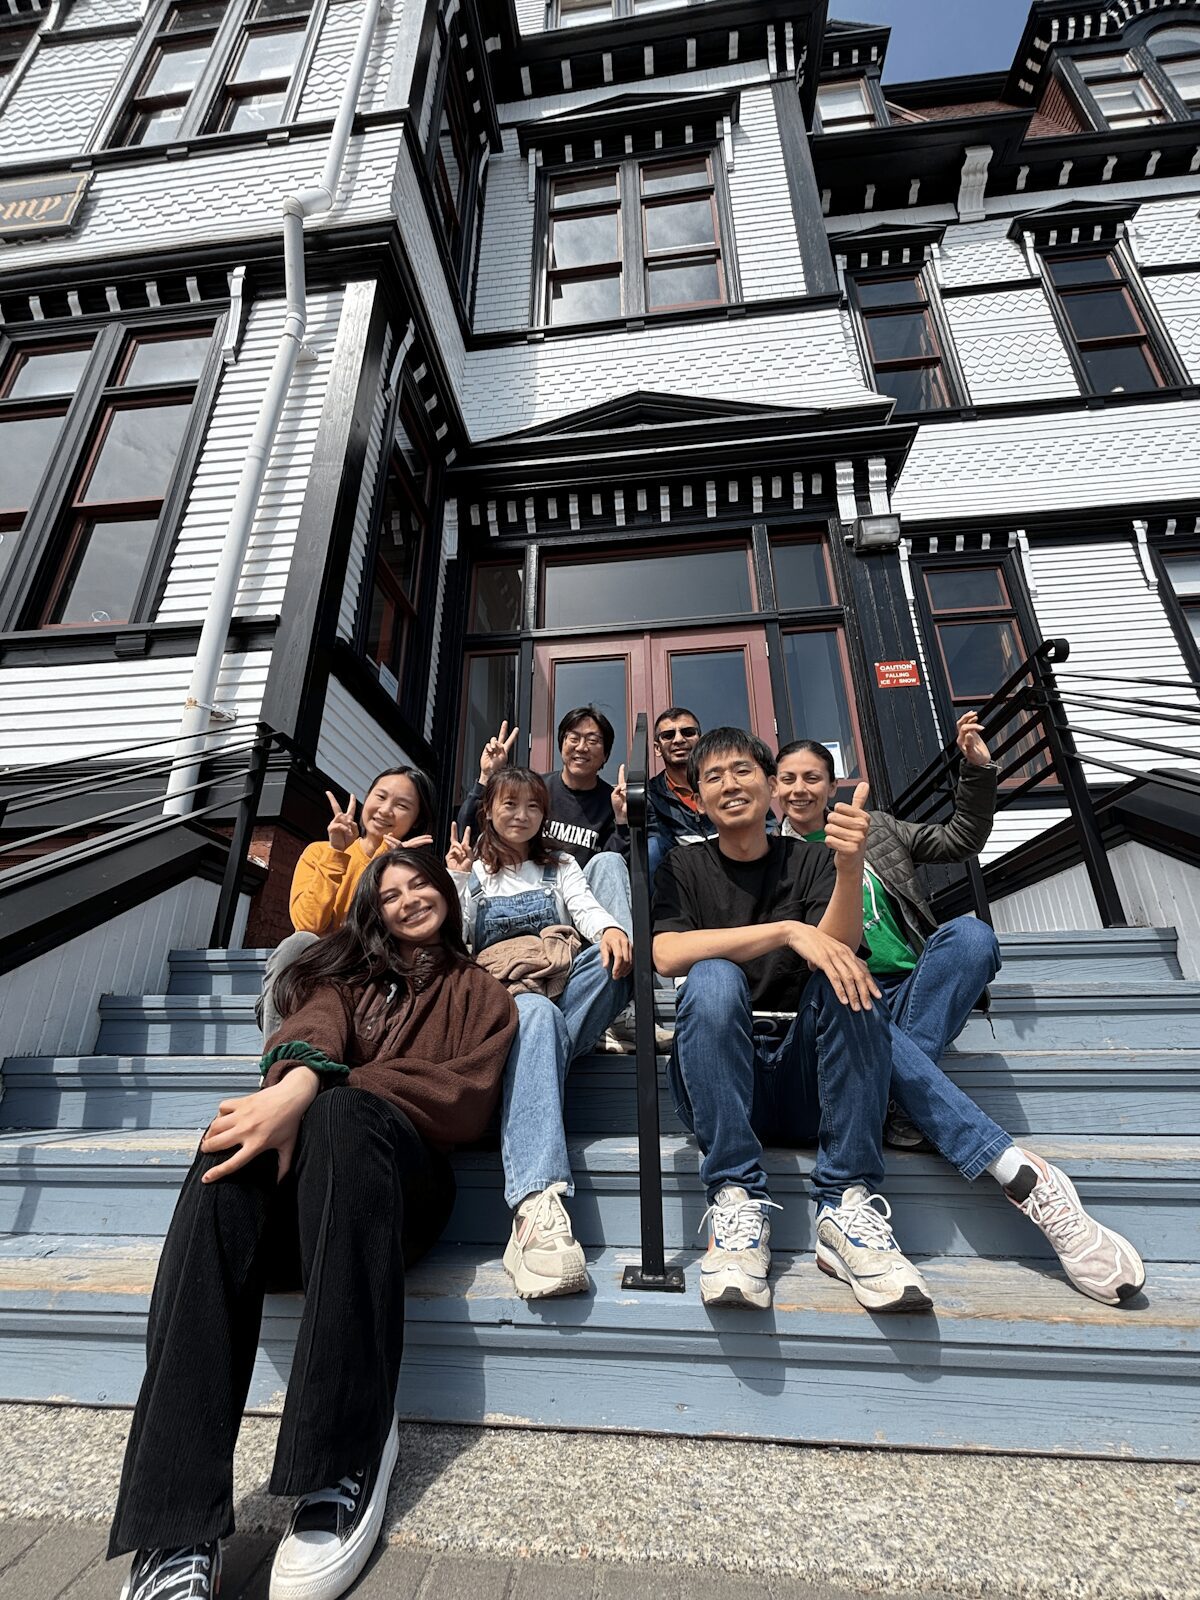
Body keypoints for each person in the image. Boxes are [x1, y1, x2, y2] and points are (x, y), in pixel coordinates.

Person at [109, 847, 517, 1600]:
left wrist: (320, 1092)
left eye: (419, 884)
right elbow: (316, 1029)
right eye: (389, 894)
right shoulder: (340, 980)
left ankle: (343, 1451)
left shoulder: (483, 991)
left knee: (344, 1113)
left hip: (400, 1192)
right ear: (375, 912)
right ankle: (173, 1522)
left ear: (447, 895)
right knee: (225, 1152)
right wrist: (298, 1079)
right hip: (305, 1206)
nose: (406, 900)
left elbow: (464, 1099)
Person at [652, 726, 1146, 1315]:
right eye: (713, 777)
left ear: (768, 788)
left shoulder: (812, 858)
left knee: (849, 976)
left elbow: (840, 945)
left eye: (743, 771)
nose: (730, 784)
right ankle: (736, 1195)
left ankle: (844, 1202)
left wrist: (849, 866)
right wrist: (786, 931)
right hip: (725, 1078)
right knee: (711, 978)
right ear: (698, 798)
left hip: (812, 1074)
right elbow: (665, 955)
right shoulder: (681, 865)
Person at [447, 768, 632, 1300]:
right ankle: (534, 1202)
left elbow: (588, 910)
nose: (521, 815)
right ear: (489, 810)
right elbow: (452, 944)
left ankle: (525, 1074)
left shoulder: (562, 866)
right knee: (535, 1016)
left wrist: (613, 930)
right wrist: (458, 882)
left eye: (532, 806)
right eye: (510, 804)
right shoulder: (474, 871)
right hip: (493, 1009)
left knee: (613, 962)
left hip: (558, 993)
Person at [776, 715, 999, 1150]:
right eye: (787, 779)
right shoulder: (773, 855)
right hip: (839, 991)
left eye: (811, 777)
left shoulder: (876, 827)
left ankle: (895, 1088)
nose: (799, 789)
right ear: (773, 787)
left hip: (910, 984)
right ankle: (910, 1103)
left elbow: (962, 839)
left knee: (973, 935)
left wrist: (977, 771)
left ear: (831, 784)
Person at [257, 765, 435, 1039]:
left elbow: (388, 937)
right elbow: (309, 924)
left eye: (401, 805)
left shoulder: (411, 876)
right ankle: (276, 1064)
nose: (386, 810)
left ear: (416, 821)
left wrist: (388, 870)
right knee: (296, 943)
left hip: (363, 980)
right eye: (380, 796)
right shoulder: (320, 852)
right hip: (308, 979)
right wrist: (336, 854)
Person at [455, 711, 631, 936]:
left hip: (582, 901)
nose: (581, 747)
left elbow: (612, 871)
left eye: (593, 740)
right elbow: (471, 832)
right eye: (573, 738)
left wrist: (622, 821)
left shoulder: (613, 800)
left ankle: (621, 952)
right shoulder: (536, 791)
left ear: (606, 754)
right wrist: (487, 776)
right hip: (526, 891)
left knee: (609, 862)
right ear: (561, 744)